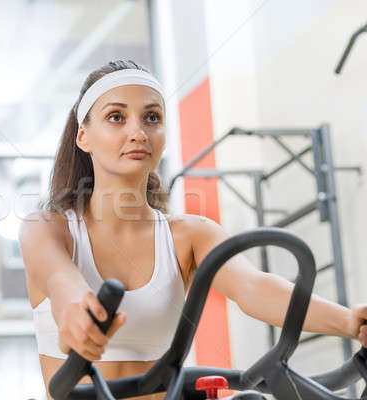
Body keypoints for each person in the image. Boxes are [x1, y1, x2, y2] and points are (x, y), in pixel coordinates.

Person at [18, 60, 367, 400]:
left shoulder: (190, 236)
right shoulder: (47, 228)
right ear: (84, 136)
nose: (138, 132)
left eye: (151, 117)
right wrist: (76, 309)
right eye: (116, 117)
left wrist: (352, 322)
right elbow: (62, 280)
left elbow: (252, 286)